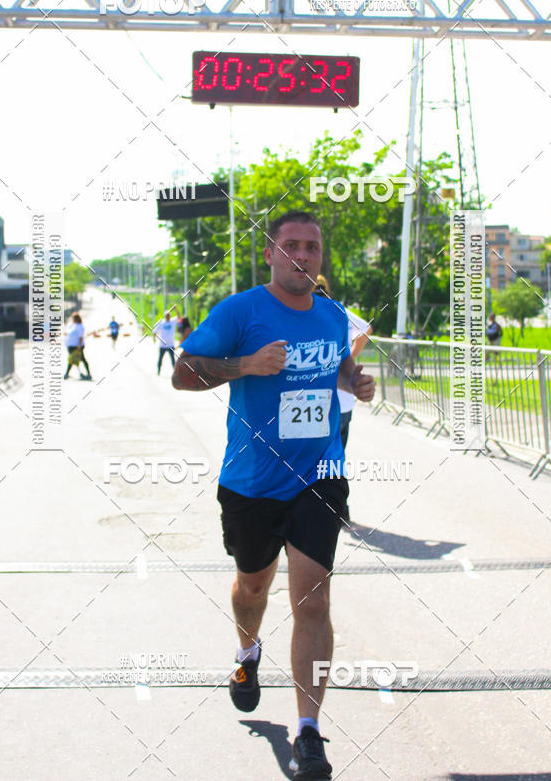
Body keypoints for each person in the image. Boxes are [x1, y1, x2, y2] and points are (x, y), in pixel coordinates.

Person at [172, 211, 375, 779]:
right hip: (253, 481)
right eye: (291, 246)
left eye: (312, 247)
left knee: (313, 598)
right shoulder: (240, 311)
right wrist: (245, 365)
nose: (302, 256)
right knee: (252, 586)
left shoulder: (333, 314)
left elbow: (337, 369)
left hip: (319, 474)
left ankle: (310, 732)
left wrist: (353, 382)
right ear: (270, 254)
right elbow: (182, 372)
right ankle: (247, 652)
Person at [313, 278, 372, 450]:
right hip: (344, 403)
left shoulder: (307, 315)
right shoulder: (340, 311)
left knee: (316, 468)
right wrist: (349, 360)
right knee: (335, 465)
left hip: (321, 406)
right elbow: (366, 330)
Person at [64, 313, 92, 380]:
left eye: (73, 318)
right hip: (70, 346)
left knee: (82, 359)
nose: (72, 319)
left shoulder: (80, 326)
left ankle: (88, 374)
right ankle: (67, 374)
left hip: (77, 346)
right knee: (72, 359)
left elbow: (81, 337)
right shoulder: (72, 325)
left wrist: (79, 346)